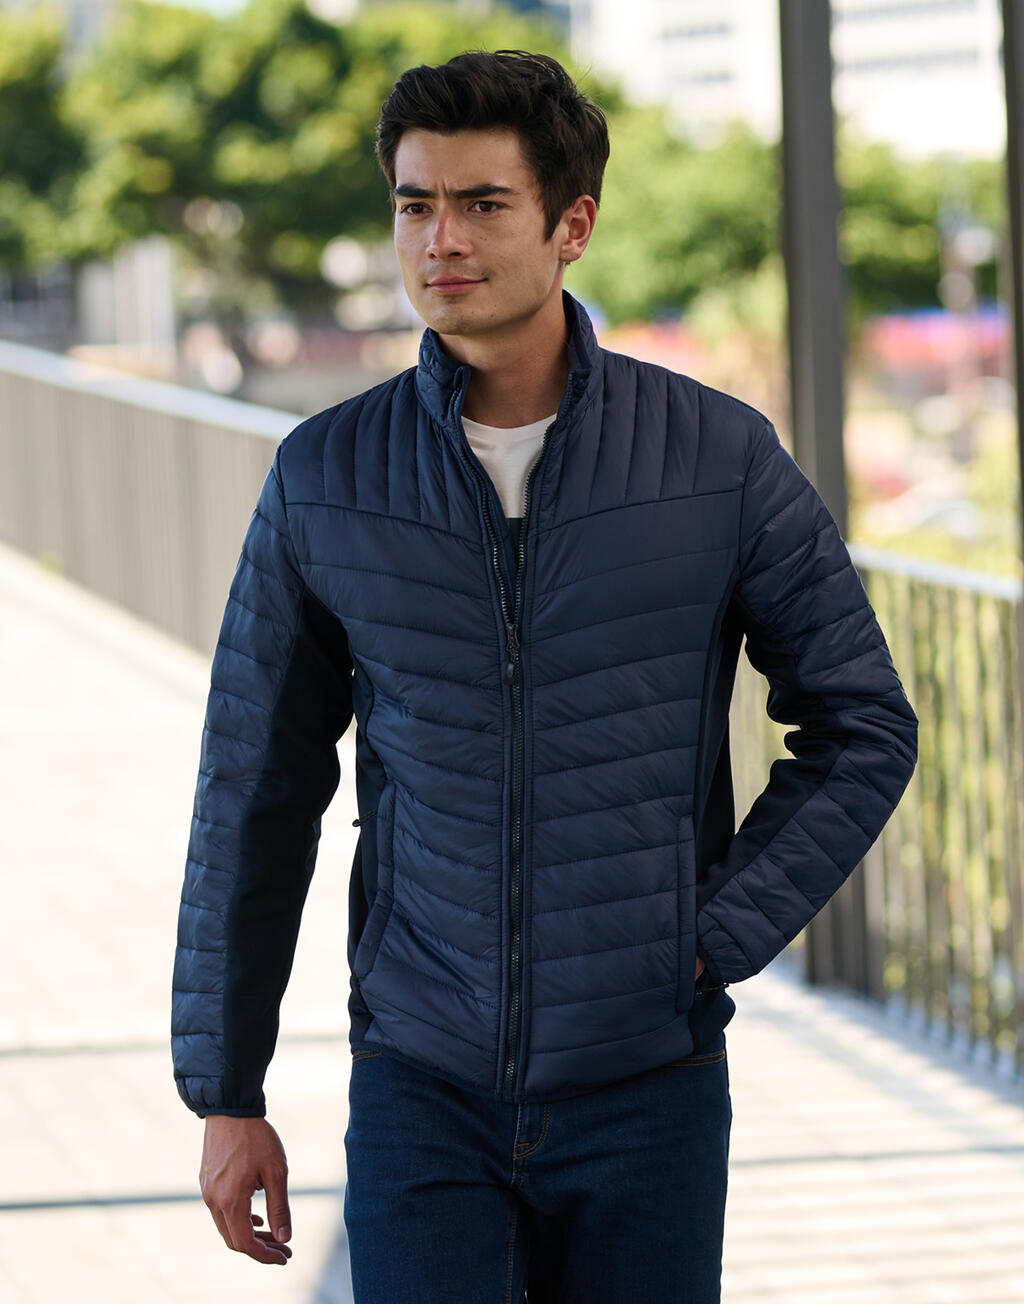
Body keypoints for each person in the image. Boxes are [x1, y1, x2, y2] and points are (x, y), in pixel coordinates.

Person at [171, 49, 918, 1303]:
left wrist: (713, 934)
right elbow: (253, 786)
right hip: (421, 1081)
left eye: (482, 203)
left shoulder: (715, 457)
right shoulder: (326, 475)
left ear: (572, 224)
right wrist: (225, 1089)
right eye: (415, 203)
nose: (440, 239)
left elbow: (861, 723)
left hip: (647, 1084)